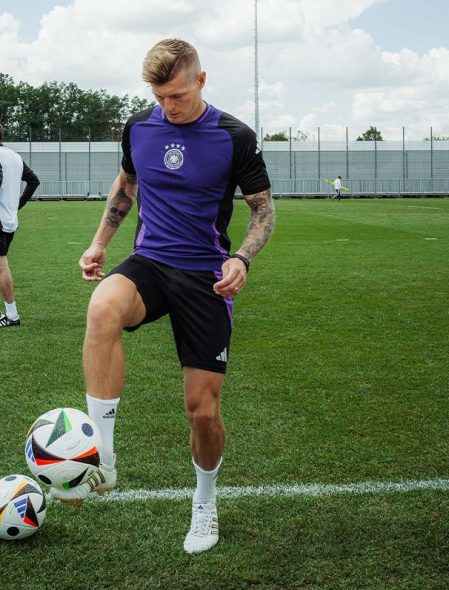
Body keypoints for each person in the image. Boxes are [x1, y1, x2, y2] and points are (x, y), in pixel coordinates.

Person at [50, 39, 275, 554]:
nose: (167, 107)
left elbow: (263, 211)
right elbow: (127, 184)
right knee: (102, 305)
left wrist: (241, 258)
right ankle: (102, 458)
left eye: (176, 95)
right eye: (158, 96)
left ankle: (204, 501)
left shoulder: (234, 136)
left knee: (202, 411)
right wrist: (99, 243)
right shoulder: (139, 127)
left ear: (200, 80)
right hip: (150, 262)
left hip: (205, 276)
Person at [0, 120, 40, 327]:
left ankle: (13, 316)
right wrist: (17, 205)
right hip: (8, 219)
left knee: (0, 264)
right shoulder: (14, 156)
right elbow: (34, 181)